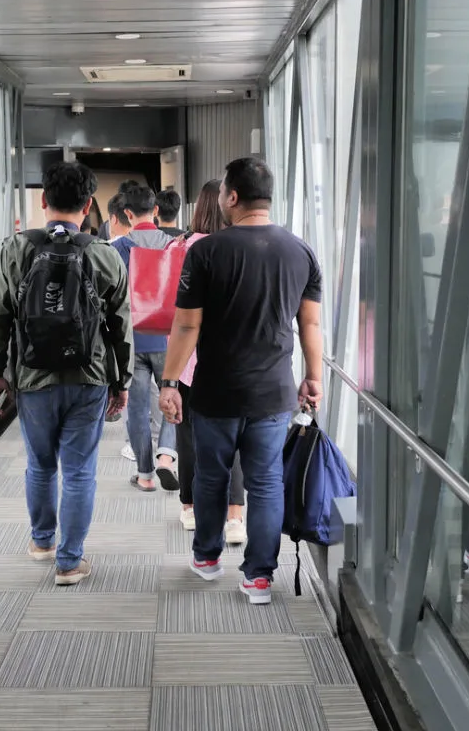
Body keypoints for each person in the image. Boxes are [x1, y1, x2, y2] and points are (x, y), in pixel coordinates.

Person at [160, 157, 324, 605]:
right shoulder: (301, 251)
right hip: (273, 392)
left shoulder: (206, 252)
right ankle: (259, 578)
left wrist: (170, 382)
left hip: (215, 390)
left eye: (222, 193)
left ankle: (207, 558)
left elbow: (187, 325)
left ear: (232, 196)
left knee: (211, 477)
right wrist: (313, 376)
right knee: (266, 482)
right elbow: (309, 324)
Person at [0, 161, 133, 586]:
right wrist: (121, 382)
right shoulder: (104, 254)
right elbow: (122, 325)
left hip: (33, 378)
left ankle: (42, 542)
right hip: (89, 377)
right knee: (79, 471)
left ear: (44, 200)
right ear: (88, 206)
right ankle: (69, 562)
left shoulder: (16, 249)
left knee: (40, 465)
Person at [174, 180, 247, 544]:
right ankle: (234, 517)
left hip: (188, 359)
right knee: (233, 438)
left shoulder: (182, 247)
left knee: (187, 434)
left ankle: (189, 508)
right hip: (233, 359)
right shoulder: (241, 248)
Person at [112, 185, 179, 492]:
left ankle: (145, 476)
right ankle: (166, 456)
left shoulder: (117, 249)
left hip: (132, 340)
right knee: (171, 398)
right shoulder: (175, 245)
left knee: (137, 409)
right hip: (169, 339)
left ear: (127, 213)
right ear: (155, 211)